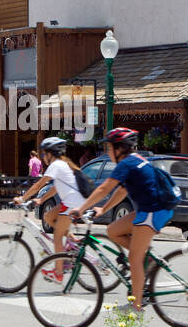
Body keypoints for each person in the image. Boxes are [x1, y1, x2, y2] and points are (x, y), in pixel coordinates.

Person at [73, 128, 175, 314]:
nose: (107, 151)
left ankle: (135, 308)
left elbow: (104, 188)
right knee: (113, 231)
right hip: (148, 209)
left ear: (120, 148)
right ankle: (148, 259)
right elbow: (121, 191)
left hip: (153, 210)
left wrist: (81, 209)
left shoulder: (126, 164)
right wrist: (103, 209)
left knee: (134, 258)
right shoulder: (134, 161)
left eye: (109, 147)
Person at [13, 137, 86, 281]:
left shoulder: (56, 164)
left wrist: (22, 199)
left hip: (71, 203)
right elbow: (55, 188)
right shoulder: (61, 164)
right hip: (71, 201)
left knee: (57, 236)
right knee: (48, 217)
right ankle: (72, 242)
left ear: (51, 153)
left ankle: (58, 273)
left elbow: (38, 185)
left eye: (44, 154)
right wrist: (41, 199)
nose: (43, 157)